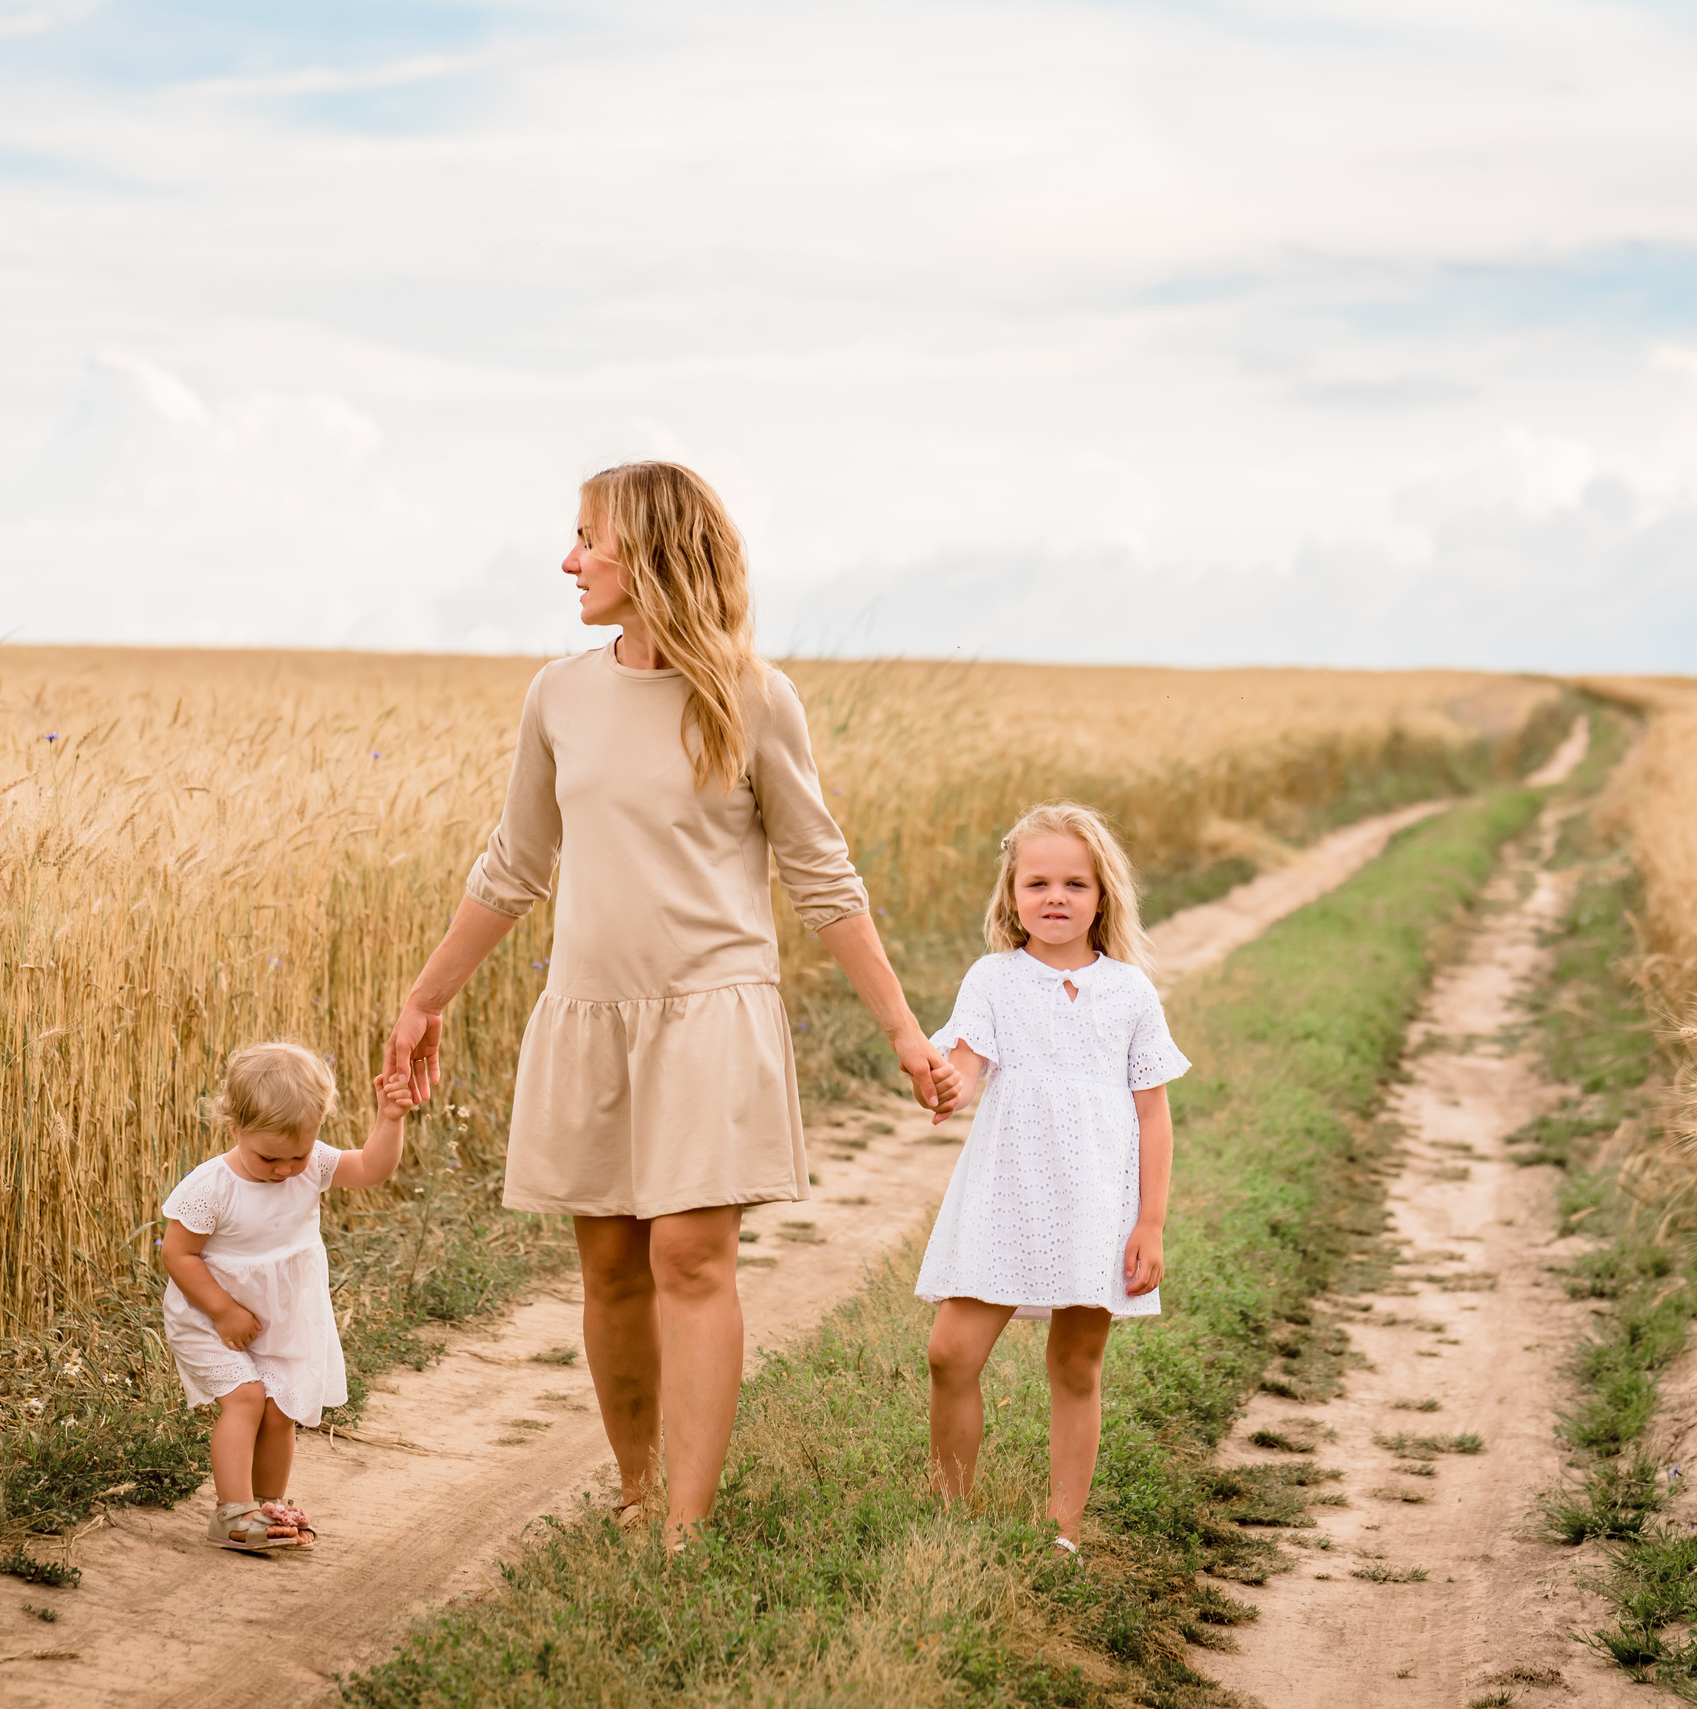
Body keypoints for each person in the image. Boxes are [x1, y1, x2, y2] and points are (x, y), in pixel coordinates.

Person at [386, 460, 959, 1543]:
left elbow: (821, 872)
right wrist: (424, 1000)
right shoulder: (558, 691)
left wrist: (902, 1030)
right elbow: (515, 863)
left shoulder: (752, 694)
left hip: (711, 1013)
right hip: (588, 1009)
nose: (568, 560)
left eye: (587, 539)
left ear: (646, 550)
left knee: (688, 1259)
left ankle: (684, 1527)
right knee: (607, 1266)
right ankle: (637, 1488)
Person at [918, 801, 1190, 1557]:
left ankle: (1061, 1529)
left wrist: (1151, 1221)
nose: (1056, 897)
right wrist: (941, 1081)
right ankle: (949, 1510)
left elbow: (1154, 1116)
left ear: (1102, 896)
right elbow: (965, 1070)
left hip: (1095, 1201)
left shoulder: (1130, 992)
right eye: (1037, 881)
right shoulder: (994, 979)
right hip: (1006, 1190)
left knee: (1076, 1362)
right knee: (951, 1351)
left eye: (1075, 882)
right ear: (1011, 894)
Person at [159, 1041, 415, 1553]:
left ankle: (268, 1506)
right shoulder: (212, 1188)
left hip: (279, 1317)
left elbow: (370, 1168)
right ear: (235, 1127)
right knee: (248, 1399)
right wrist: (223, 1310)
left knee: (279, 1409)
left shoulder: (313, 1163)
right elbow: (178, 1254)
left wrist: (389, 1119)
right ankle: (232, 1513)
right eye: (269, 1157)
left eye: (297, 1155)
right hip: (209, 1316)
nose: (283, 1170)